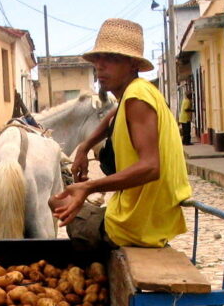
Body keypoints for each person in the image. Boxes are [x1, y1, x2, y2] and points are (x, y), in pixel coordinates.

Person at [49, 18, 192, 249]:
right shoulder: (137, 93)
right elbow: (113, 116)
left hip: (138, 224)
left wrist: (89, 187)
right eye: (98, 59)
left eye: (112, 59)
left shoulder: (136, 99)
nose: (101, 66)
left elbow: (151, 167)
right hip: (147, 215)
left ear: (133, 64)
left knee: (56, 202)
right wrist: (85, 146)